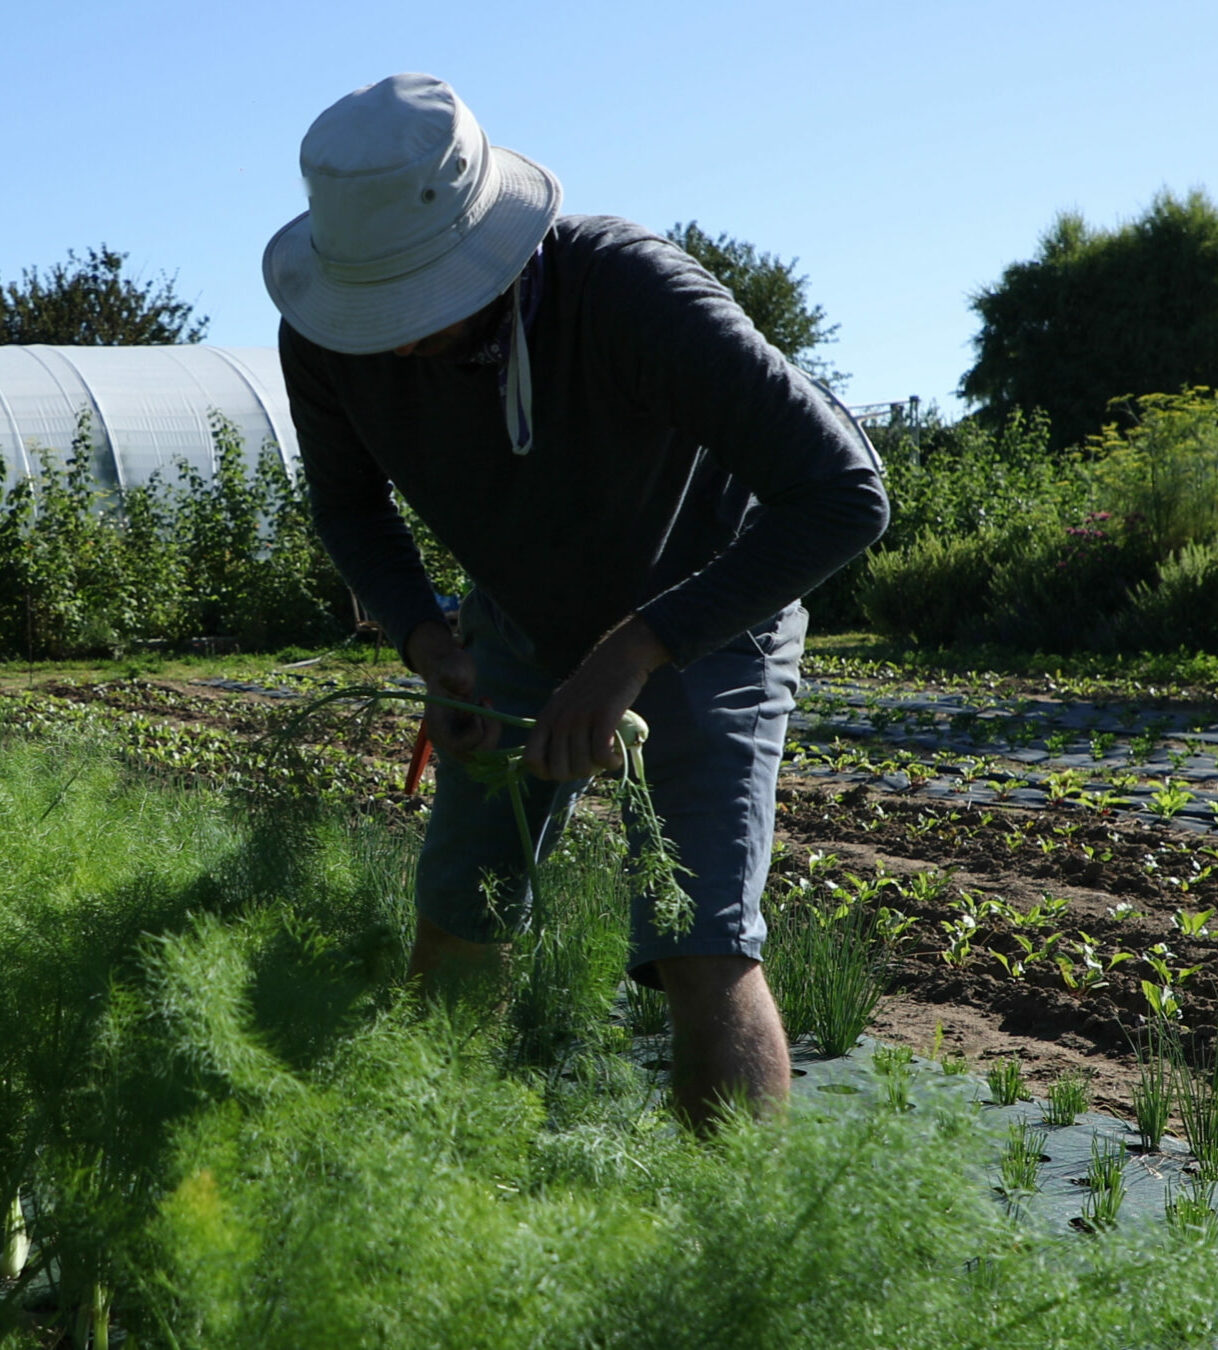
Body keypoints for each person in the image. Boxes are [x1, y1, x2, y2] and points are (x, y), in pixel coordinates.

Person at [262, 73, 888, 1130]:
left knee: (700, 942)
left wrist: (631, 651)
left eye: (419, 307)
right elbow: (349, 510)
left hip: (701, 620)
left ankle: (739, 1258)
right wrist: (425, 642)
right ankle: (436, 1183)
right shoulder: (326, 338)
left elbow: (843, 494)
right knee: (461, 911)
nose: (399, 340)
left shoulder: (628, 294)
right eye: (381, 314)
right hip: (511, 621)